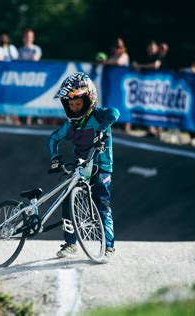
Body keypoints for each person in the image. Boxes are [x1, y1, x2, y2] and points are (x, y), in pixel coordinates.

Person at [48, 72, 119, 261]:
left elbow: (115, 112)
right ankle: (71, 244)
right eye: (71, 104)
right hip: (80, 168)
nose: (75, 108)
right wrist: (55, 157)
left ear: (89, 100)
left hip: (102, 166)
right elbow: (53, 139)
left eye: (78, 103)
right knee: (67, 201)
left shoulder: (99, 115)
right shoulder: (70, 125)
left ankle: (109, 247)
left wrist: (102, 130)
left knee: (102, 203)